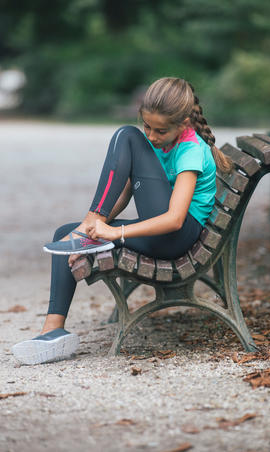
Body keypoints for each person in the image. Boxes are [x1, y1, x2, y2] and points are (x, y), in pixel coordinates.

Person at [12, 77, 231, 365]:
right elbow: (126, 193)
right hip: (165, 233)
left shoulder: (190, 149)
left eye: (160, 130)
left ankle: (90, 221)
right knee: (65, 233)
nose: (152, 136)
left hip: (177, 237)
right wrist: (91, 230)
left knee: (126, 136)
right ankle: (53, 331)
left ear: (183, 123)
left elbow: (176, 219)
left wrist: (116, 233)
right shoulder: (161, 142)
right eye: (148, 127)